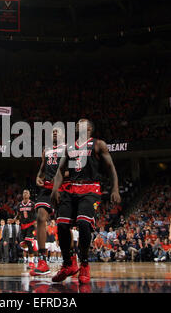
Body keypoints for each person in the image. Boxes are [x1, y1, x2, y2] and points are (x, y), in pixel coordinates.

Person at [51, 119, 121, 284]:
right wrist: (55, 188)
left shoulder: (98, 144)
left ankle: (84, 263)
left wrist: (115, 189)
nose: (78, 123)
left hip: (91, 190)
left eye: (82, 122)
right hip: (71, 189)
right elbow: (61, 170)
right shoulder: (69, 146)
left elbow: (111, 168)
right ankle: (68, 264)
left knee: (83, 224)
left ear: (89, 128)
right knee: (61, 225)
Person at [31, 127, 70, 276]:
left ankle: (70, 259)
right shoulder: (45, 150)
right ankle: (42, 261)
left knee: (64, 225)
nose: (54, 132)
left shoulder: (68, 148)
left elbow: (73, 170)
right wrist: (38, 177)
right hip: (46, 188)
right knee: (41, 218)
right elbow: (42, 170)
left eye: (57, 131)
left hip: (63, 187)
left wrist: (59, 177)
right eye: (52, 131)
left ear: (64, 135)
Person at [15, 190, 37, 268]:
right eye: (24, 193)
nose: (25, 194)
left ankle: (31, 262)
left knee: (28, 241)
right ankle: (33, 242)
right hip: (23, 226)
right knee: (22, 244)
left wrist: (36, 222)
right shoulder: (19, 205)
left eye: (27, 193)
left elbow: (36, 214)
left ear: (29, 195)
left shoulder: (32, 204)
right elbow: (18, 215)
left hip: (30, 225)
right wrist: (14, 219)